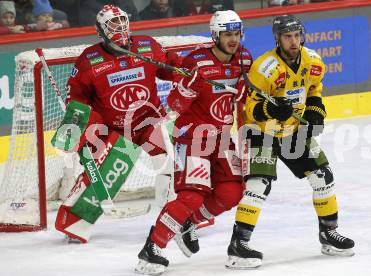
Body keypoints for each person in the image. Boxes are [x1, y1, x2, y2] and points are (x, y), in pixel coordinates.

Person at [225, 15, 355, 269]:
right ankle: (238, 245)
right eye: (287, 36)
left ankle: (328, 233)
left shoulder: (313, 61)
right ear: (278, 39)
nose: (293, 41)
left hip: (293, 130)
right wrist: (271, 109)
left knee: (323, 176)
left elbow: (314, 88)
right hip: (262, 131)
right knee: (258, 185)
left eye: (297, 35)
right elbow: (250, 109)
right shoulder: (264, 68)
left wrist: (316, 110)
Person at [134, 10, 253, 275]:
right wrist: (186, 89)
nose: (233, 39)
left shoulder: (244, 59)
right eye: (227, 34)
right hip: (193, 137)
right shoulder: (195, 61)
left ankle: (188, 223)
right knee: (192, 195)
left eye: (236, 33)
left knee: (232, 192)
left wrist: (245, 135)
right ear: (215, 35)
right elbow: (174, 105)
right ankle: (153, 247)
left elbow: (244, 107)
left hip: (222, 139)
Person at [53, 4, 179, 243]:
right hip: (114, 128)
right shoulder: (89, 60)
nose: (120, 27)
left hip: (148, 121)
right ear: (100, 30)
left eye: (122, 21)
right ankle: (75, 222)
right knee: (107, 174)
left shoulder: (147, 46)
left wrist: (185, 71)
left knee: (171, 160)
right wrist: (79, 126)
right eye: (112, 23)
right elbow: (76, 98)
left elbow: (171, 67)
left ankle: (172, 216)